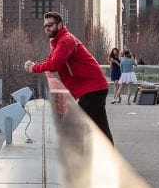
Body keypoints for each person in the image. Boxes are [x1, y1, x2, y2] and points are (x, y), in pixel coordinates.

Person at [24, 11, 113, 142]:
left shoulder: (65, 40)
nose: (47, 28)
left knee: (77, 125)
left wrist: (34, 68)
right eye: (45, 26)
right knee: (100, 126)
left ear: (60, 25)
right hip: (94, 88)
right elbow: (50, 62)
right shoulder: (59, 42)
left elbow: (53, 65)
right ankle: (104, 155)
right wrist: (34, 65)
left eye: (50, 25)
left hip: (92, 88)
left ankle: (81, 159)